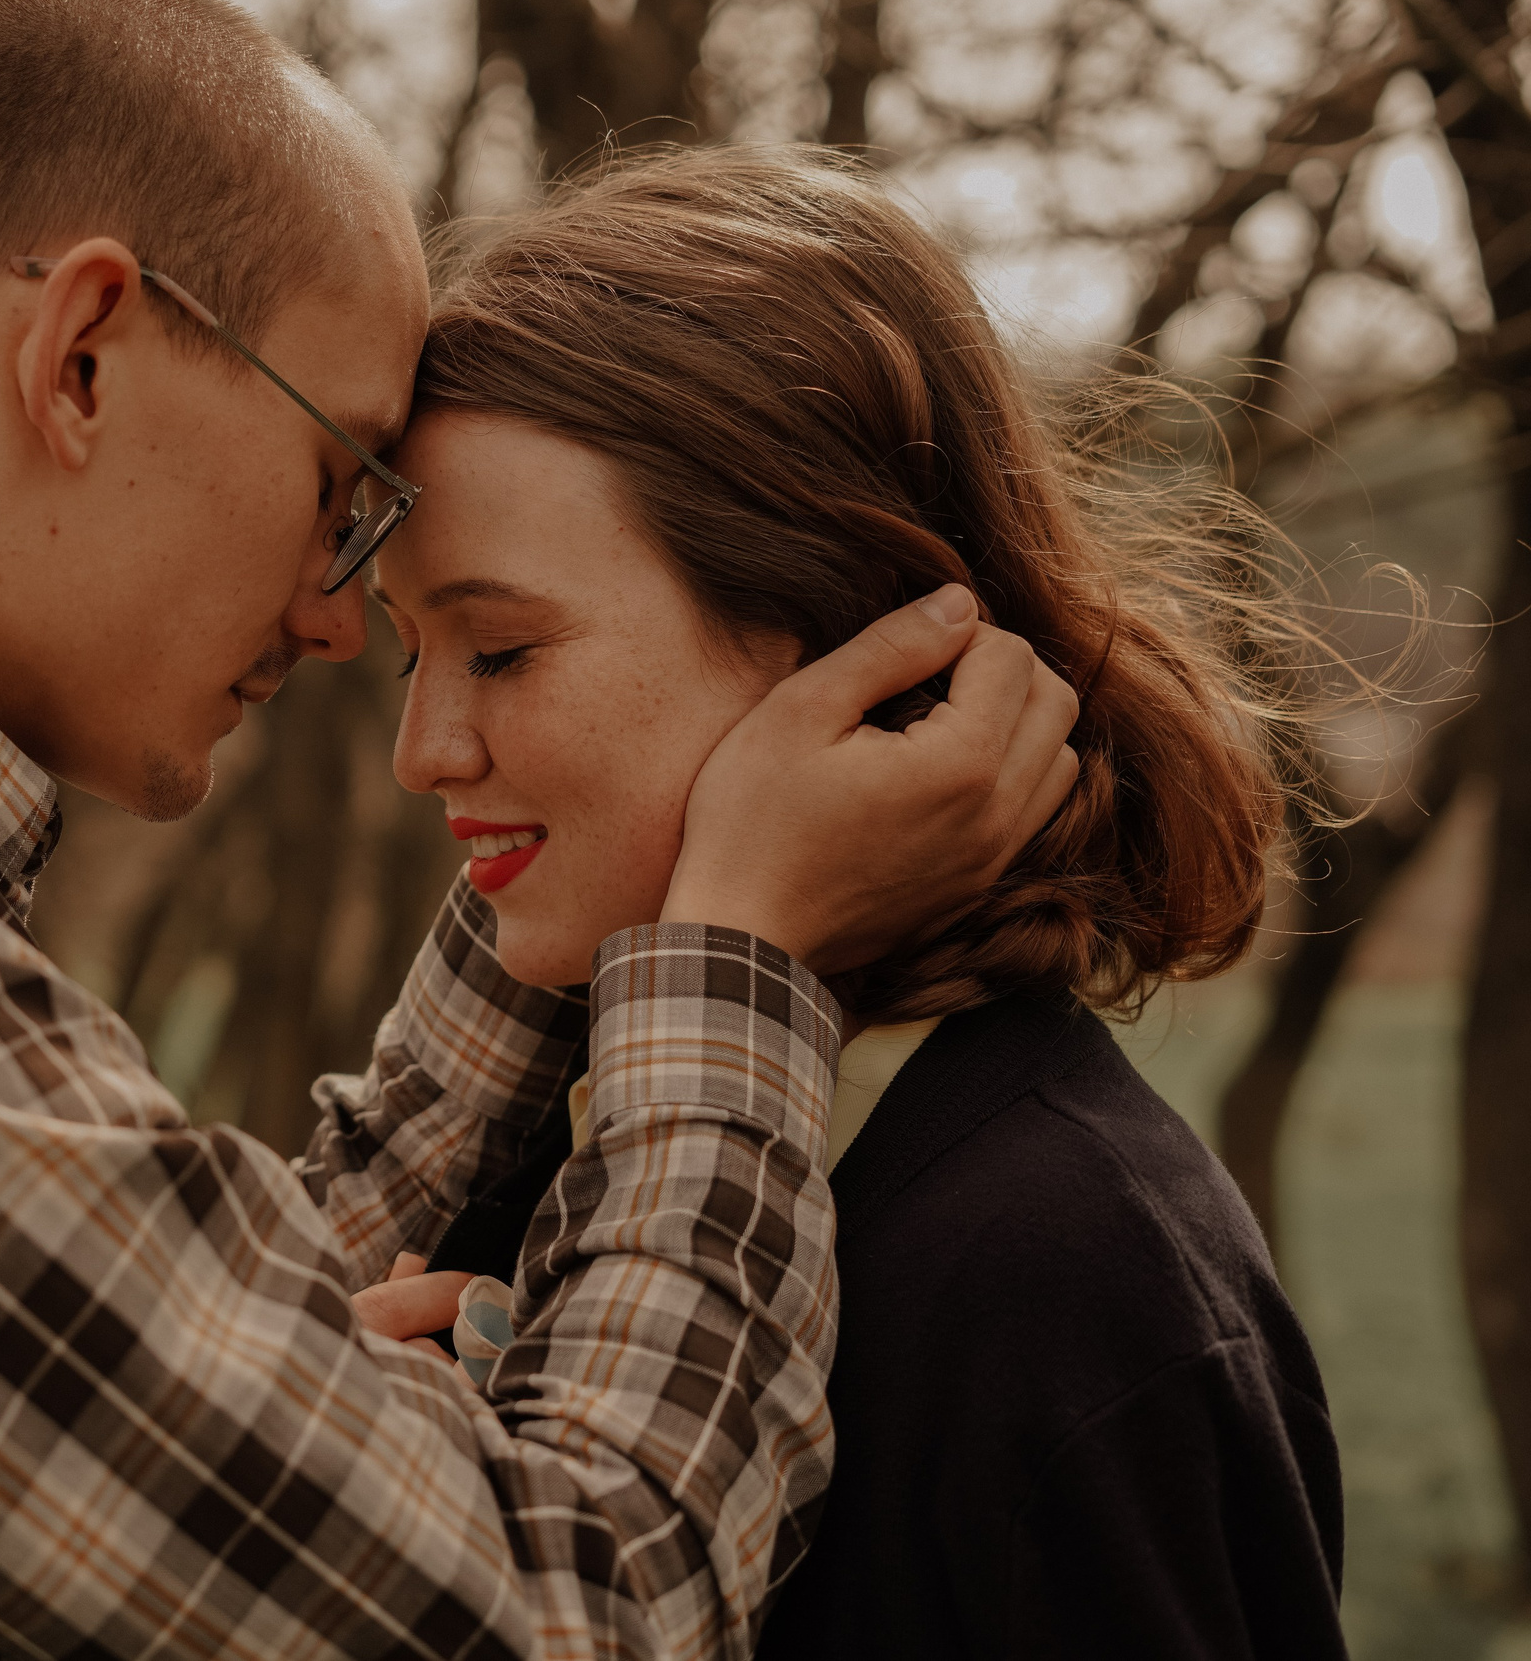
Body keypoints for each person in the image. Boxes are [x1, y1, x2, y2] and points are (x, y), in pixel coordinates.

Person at [0, 0, 1080, 1657]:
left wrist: (331, 1398)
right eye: (341, 480)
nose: (338, 617)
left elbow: (81, 1345)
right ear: (84, 352)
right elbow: (588, 1607)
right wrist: (736, 957)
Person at [372, 144, 1347, 1659]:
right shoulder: (563, 1169)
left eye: (498, 652)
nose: (421, 749)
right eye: (405, 652)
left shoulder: (1065, 1273)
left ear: (832, 641)